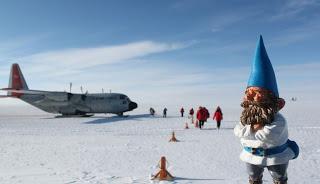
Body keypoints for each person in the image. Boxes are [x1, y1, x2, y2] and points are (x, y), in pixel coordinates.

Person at [234, 36, 299, 184]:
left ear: (270, 97)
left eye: (259, 93)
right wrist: (256, 127)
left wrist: (251, 130)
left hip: (277, 157)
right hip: (251, 157)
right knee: (253, 178)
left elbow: (268, 135)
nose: (254, 99)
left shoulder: (279, 120)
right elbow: (238, 131)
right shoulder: (245, 117)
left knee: (279, 177)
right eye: (250, 93)